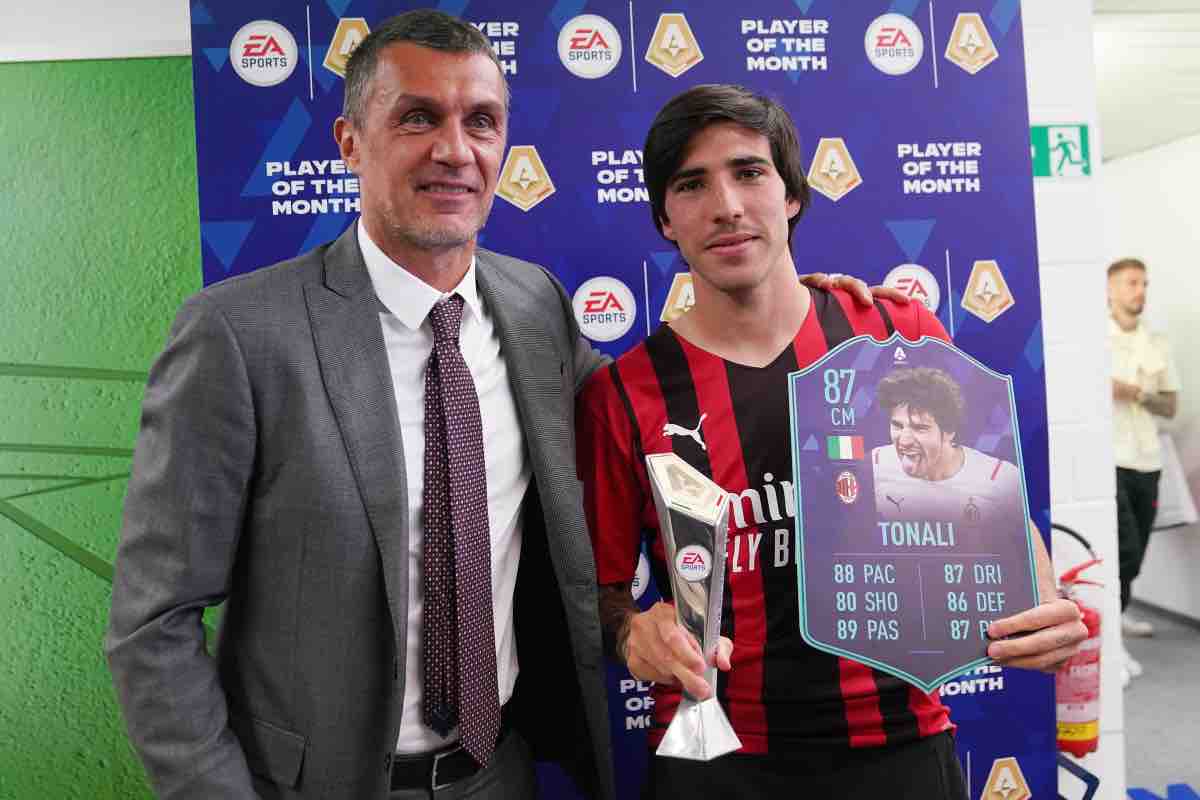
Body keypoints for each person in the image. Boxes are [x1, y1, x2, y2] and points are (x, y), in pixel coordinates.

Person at [105, 12, 886, 800]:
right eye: (418, 118)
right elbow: (151, 624)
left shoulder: (534, 306)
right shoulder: (239, 334)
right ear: (350, 142)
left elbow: (656, 397)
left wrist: (804, 307)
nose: (455, 149)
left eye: (480, 121)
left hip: (500, 773)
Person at [577, 84, 1087, 799]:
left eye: (749, 172)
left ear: (791, 194)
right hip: (716, 759)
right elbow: (597, 593)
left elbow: (990, 500)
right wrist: (632, 633)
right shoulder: (622, 395)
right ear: (665, 218)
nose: (726, 205)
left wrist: (1041, 597)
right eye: (691, 184)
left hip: (901, 743)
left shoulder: (896, 332)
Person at [1108, 257, 1179, 683]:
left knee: (1135, 556)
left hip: (1147, 459)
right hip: (1110, 458)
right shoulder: (1096, 340)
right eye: (1131, 282)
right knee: (1123, 549)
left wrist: (1135, 393)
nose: (1140, 291)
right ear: (1110, 289)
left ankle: (1117, 617)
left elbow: (1170, 406)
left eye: (1144, 284)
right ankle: (1113, 648)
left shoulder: (1156, 343)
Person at [872, 366, 1023, 525]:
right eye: (897, 426)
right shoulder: (874, 464)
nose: (904, 441)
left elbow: (1029, 538)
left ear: (949, 431)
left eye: (919, 428)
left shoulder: (1002, 478)